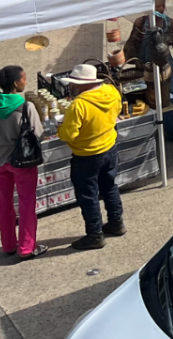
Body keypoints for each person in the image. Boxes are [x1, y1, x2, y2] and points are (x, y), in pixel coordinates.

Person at [58, 64, 124, 250]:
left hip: (86, 155)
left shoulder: (78, 105)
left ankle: (95, 234)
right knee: (109, 186)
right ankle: (116, 222)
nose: (72, 87)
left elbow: (68, 134)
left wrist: (60, 129)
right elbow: (117, 111)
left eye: (74, 84)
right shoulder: (111, 91)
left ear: (80, 85)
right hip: (109, 147)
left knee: (88, 196)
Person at [0, 66, 47, 261]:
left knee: (4, 204)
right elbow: (38, 133)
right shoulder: (26, 106)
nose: (26, 82)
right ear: (16, 83)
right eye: (24, 78)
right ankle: (26, 247)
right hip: (21, 161)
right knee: (26, 204)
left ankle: (8, 245)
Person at [126, 0, 173, 142]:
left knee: (171, 95)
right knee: (147, 96)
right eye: (156, 6)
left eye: (162, 6)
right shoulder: (141, 22)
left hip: (165, 62)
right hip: (145, 62)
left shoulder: (169, 22)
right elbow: (132, 42)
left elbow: (171, 39)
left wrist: (161, 39)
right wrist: (134, 61)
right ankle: (149, 132)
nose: (160, 9)